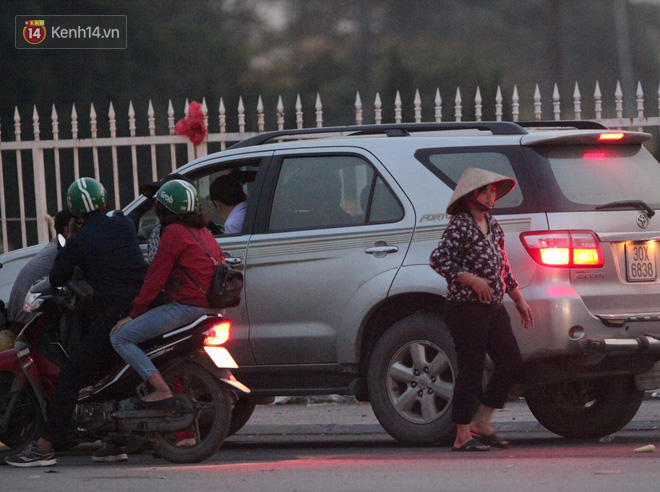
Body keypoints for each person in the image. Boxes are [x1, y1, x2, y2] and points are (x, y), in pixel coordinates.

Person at [6, 177, 148, 468]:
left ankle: (44, 446)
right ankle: (114, 441)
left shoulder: (78, 242)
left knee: (71, 374)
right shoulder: (124, 225)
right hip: (141, 308)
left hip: (114, 313)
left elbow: (57, 278)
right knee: (106, 371)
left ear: (74, 213)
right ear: (103, 200)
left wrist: (71, 237)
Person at [429, 167, 533, 452]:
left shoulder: (493, 224)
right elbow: (438, 260)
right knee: (471, 369)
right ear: (471, 195)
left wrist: (519, 299)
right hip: (465, 308)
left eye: (493, 192)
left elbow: (504, 267)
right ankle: (462, 435)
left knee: (511, 362)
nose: (492, 197)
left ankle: (482, 421)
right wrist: (471, 279)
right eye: (486, 192)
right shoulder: (460, 225)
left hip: (493, 307)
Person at [110, 179, 223, 405]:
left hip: (186, 307)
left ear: (162, 209)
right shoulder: (203, 231)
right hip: (209, 308)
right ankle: (187, 437)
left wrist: (134, 314)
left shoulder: (173, 232)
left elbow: (155, 277)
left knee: (121, 337)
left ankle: (161, 389)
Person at [7, 209, 78, 333]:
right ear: (68, 230)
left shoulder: (55, 247)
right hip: (27, 321)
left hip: (18, 317)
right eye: (81, 224)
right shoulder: (63, 252)